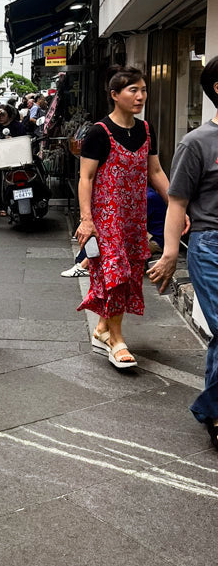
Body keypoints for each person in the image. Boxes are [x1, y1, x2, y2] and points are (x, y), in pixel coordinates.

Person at [76, 65, 172, 369]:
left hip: (134, 218)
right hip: (107, 219)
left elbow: (155, 171)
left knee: (128, 275)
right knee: (116, 274)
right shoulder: (98, 132)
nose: (141, 96)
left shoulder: (146, 130)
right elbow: (86, 178)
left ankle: (102, 329)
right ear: (115, 95)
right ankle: (116, 341)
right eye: (134, 90)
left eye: (143, 90)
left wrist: (177, 207)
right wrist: (86, 219)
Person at [148, 56, 218, 449]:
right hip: (209, 246)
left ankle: (213, 409)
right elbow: (177, 203)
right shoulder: (196, 143)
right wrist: (170, 254)